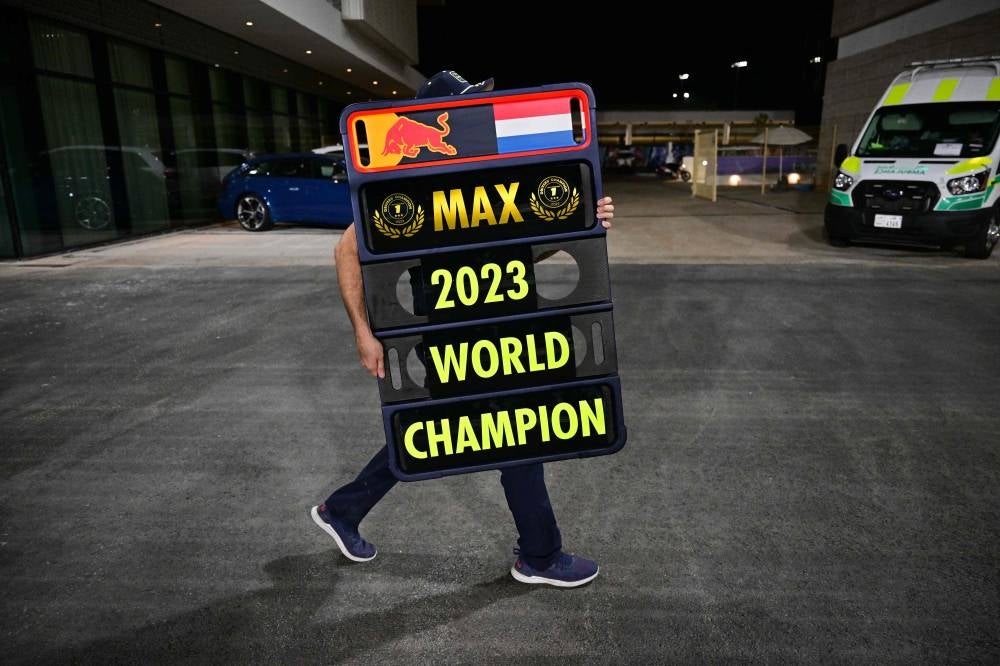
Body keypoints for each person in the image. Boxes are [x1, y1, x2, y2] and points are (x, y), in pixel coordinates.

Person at [311, 70, 615, 588]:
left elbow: (520, 250)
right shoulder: (402, 181)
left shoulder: (488, 179)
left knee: (446, 431)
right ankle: (540, 555)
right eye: (468, 107)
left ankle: (343, 510)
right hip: (451, 335)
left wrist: (585, 223)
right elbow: (345, 250)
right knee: (515, 434)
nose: (479, 114)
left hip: (499, 325)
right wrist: (363, 331)